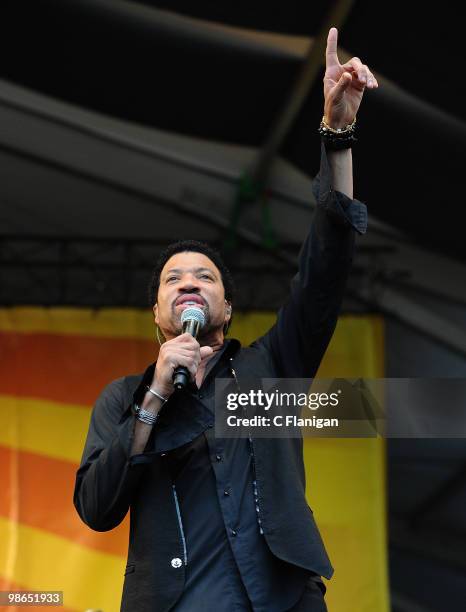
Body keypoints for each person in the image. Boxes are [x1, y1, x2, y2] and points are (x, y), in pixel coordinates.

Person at [73, 26, 377, 612]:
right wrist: (156, 395)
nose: (189, 282)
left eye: (205, 277)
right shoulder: (123, 399)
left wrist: (336, 137)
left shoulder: (271, 368)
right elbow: (96, 508)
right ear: (158, 316)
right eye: (174, 280)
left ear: (227, 309)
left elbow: (326, 267)